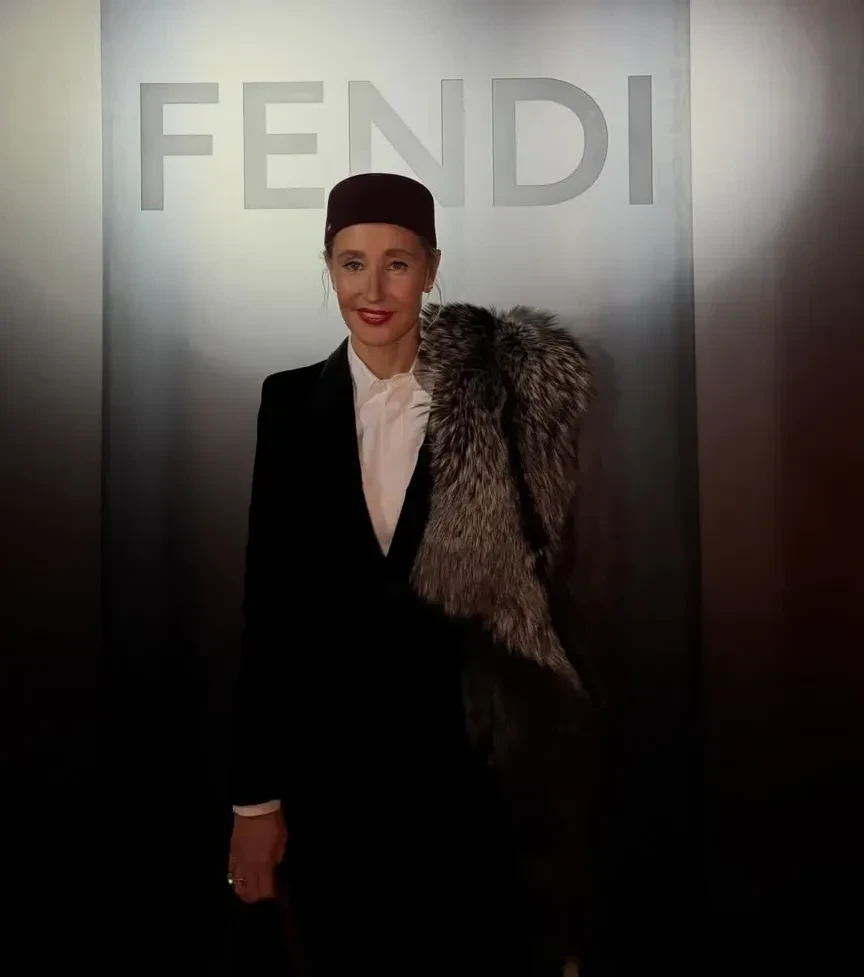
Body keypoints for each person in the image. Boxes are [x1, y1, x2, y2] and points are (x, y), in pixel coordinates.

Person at [228, 172, 603, 976]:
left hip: (472, 790)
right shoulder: (287, 405)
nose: (373, 290)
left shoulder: (501, 406)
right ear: (328, 268)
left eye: (397, 263)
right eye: (352, 263)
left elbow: (539, 606)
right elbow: (270, 612)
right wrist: (255, 799)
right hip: (333, 786)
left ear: (432, 269)